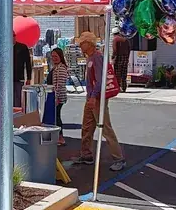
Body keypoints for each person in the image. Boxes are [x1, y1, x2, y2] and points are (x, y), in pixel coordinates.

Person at [73, 31, 125, 171]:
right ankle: (86, 154)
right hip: (91, 98)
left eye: (82, 43)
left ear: (88, 44)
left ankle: (118, 158)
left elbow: (100, 80)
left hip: (96, 99)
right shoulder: (91, 57)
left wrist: (93, 97)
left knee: (105, 127)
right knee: (87, 127)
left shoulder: (97, 57)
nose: (79, 46)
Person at [47, 47, 69, 146]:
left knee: (57, 117)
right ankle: (58, 137)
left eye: (56, 56)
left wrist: (57, 98)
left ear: (60, 56)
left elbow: (59, 85)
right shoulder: (55, 67)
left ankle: (60, 137)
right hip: (54, 96)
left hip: (57, 97)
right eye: (52, 56)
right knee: (55, 116)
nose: (54, 58)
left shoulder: (61, 68)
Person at [13, 34, 32, 108]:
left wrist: (29, 77)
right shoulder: (4, 47)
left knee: (18, 99)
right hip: (7, 79)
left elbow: (28, 63)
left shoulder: (22, 47)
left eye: (13, 35)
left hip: (19, 78)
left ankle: (17, 117)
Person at [112, 26, 131, 92]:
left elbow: (115, 50)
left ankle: (118, 88)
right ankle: (124, 87)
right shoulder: (125, 39)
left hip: (118, 58)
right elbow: (129, 49)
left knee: (117, 74)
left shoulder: (115, 39)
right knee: (124, 73)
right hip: (125, 58)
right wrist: (127, 57)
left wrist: (113, 58)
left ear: (114, 34)